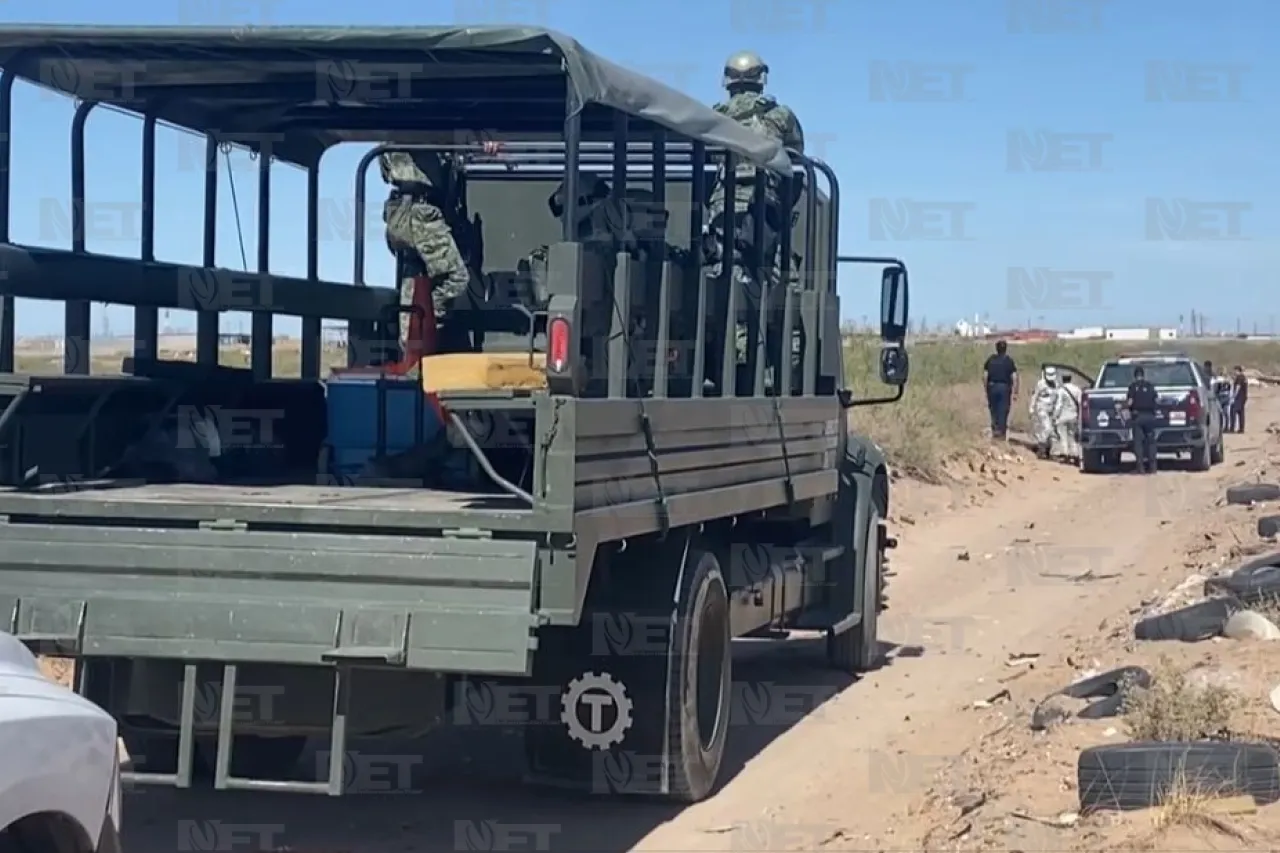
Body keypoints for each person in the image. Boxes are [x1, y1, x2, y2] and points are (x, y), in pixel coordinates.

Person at [707, 51, 805, 365]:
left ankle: (735, 362)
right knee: (781, 285)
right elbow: (795, 160)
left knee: (730, 284)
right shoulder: (781, 116)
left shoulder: (713, 115)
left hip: (725, 214)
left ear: (728, 80)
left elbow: (706, 162)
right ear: (761, 78)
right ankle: (785, 362)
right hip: (768, 211)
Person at [379, 141, 502, 362]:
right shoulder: (414, 126)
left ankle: (412, 347)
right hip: (420, 212)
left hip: (405, 209)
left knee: (415, 280)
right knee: (456, 278)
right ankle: (423, 323)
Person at [1124, 365, 1160, 474]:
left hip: (1138, 417)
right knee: (1151, 443)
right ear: (1143, 375)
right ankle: (1153, 467)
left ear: (1135, 376)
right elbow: (1157, 399)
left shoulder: (1132, 387)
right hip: (1150, 417)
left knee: (1138, 443)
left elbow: (1130, 402)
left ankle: (1141, 468)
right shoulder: (1150, 386)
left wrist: (1122, 406)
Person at [982, 340, 1019, 440]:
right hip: (1004, 388)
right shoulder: (1009, 361)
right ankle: (1001, 434)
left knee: (993, 409)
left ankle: (995, 430)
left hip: (992, 387)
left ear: (996, 348)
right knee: (1003, 410)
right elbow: (1014, 377)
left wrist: (986, 390)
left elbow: (985, 376)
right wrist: (1015, 392)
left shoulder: (990, 360)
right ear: (1005, 349)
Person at [1051, 373, 1082, 463]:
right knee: (1072, 436)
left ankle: (1065, 454)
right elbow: (1080, 403)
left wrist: (1055, 416)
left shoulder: (1061, 391)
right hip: (1073, 416)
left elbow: (1059, 405)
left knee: (1063, 436)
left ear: (1063, 379)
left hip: (1063, 417)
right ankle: (1075, 454)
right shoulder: (1077, 389)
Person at [1029, 366, 1059, 458]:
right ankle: (1041, 448)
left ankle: (1048, 450)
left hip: (1051, 409)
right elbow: (1035, 396)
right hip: (1042, 408)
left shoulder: (1056, 384)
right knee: (1047, 428)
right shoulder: (1040, 384)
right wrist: (1031, 408)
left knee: (1052, 432)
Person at [1230, 365, 1248, 433]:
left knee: (1233, 411)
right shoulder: (1244, 377)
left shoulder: (1239, 377)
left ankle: (1232, 428)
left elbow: (1238, 387)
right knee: (1241, 413)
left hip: (1239, 397)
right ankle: (1241, 428)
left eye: (1234, 371)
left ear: (1237, 370)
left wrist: (1233, 396)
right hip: (1243, 397)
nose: (1234, 372)